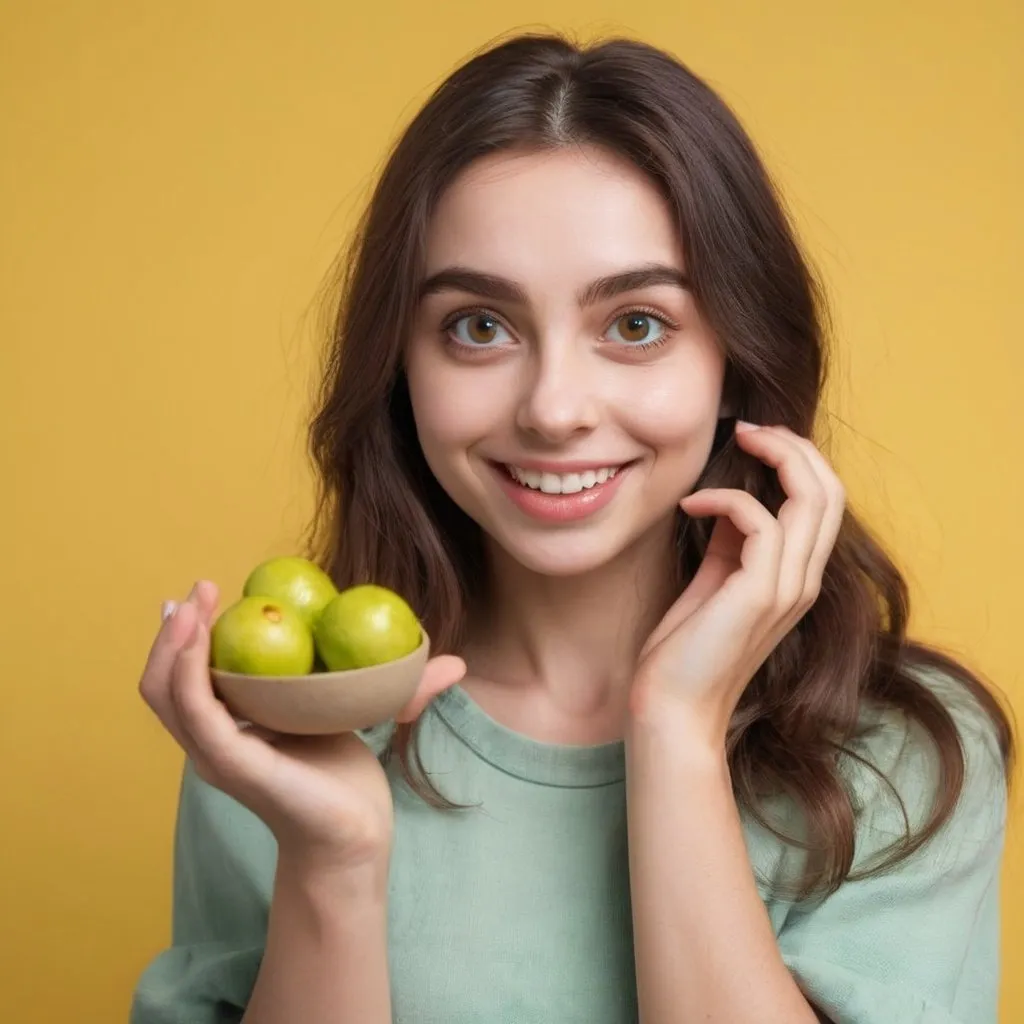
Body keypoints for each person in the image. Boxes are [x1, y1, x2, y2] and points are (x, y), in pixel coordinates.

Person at [131, 33, 1013, 1024]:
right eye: (479, 325)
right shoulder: (281, 736)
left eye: (635, 324)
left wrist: (674, 730)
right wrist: (330, 864)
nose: (554, 408)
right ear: (400, 366)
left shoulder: (902, 751)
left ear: (735, 357)